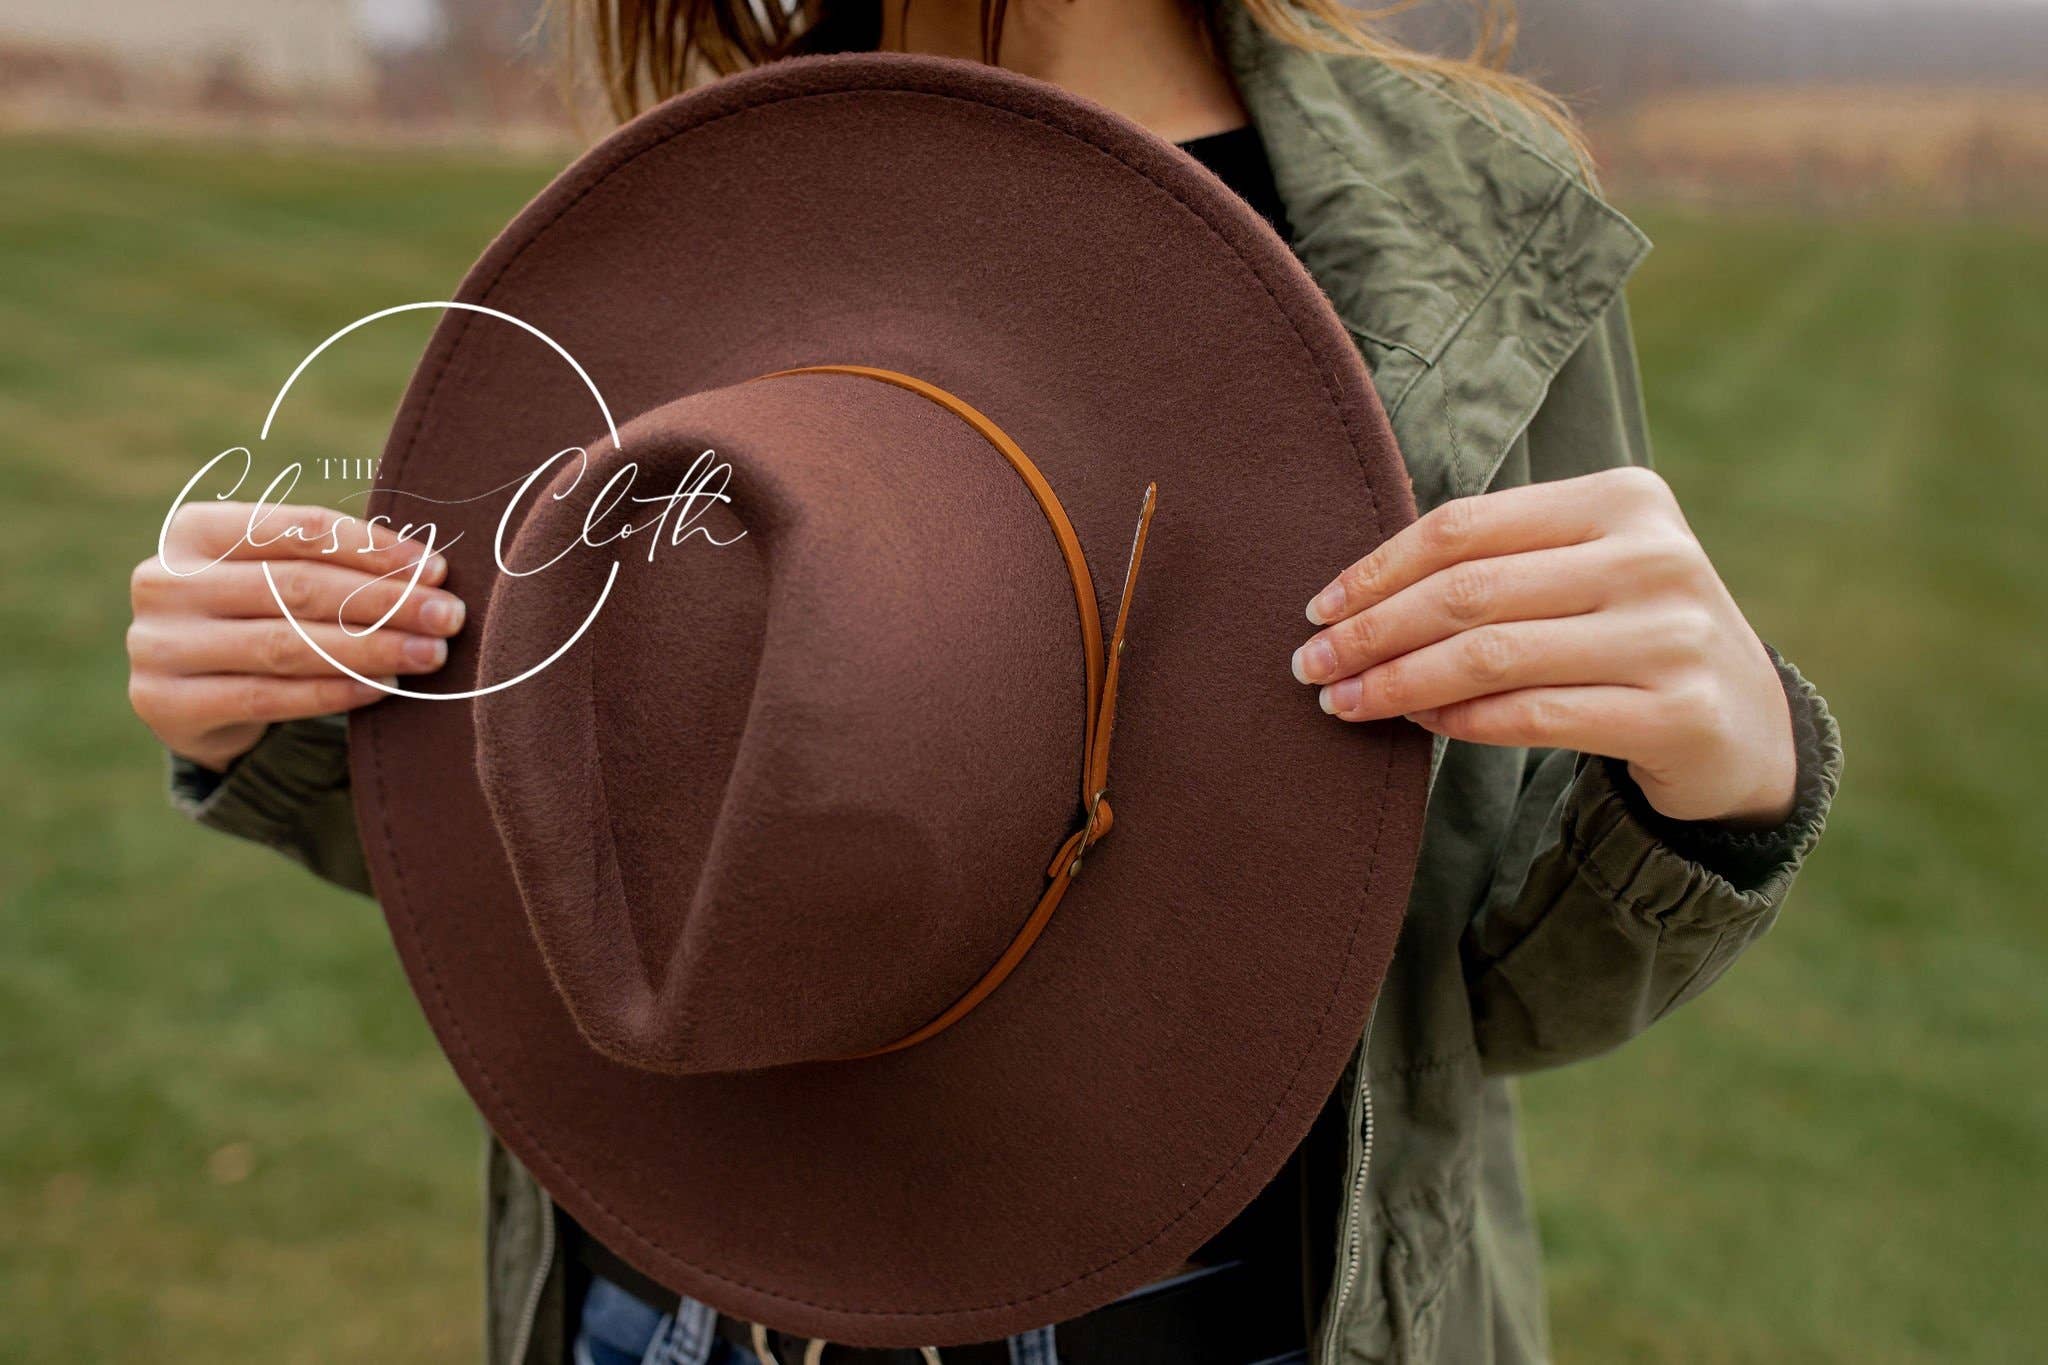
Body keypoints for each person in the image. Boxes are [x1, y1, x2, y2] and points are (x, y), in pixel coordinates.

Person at [125, 2, 1843, 1362]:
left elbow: (1493, 995)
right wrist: (283, 708)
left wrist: (1716, 783)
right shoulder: (687, 195)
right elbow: (620, 824)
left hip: (1231, 1318)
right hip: (663, 1307)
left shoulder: (1458, 243)